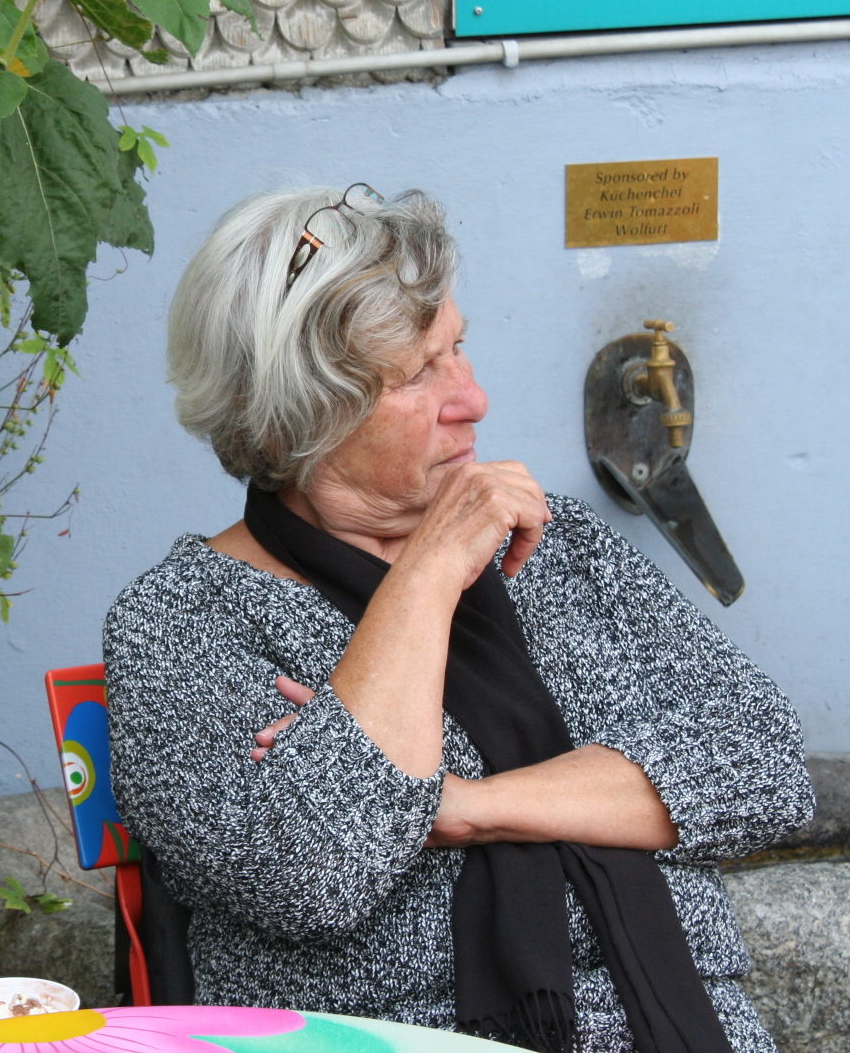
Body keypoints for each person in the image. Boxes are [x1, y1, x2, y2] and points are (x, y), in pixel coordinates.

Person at [103, 185, 814, 1053]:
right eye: (415, 376)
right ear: (293, 421)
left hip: (677, 1022)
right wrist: (431, 570)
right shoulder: (183, 620)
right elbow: (312, 872)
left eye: (458, 349)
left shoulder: (558, 545)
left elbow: (768, 770)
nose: (472, 399)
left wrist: (463, 806)